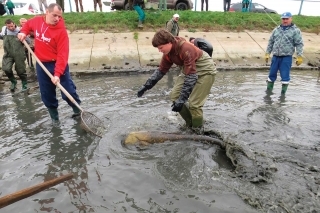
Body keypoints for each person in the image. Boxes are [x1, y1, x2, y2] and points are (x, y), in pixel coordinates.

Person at [137, 29, 217, 129]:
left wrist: (182, 99)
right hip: (188, 70)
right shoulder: (168, 54)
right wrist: (146, 86)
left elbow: (191, 77)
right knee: (174, 97)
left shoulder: (185, 48)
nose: (159, 50)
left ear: (169, 42)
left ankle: (198, 130)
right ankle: (190, 124)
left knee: (195, 105)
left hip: (206, 71)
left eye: (161, 47)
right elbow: (161, 71)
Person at [17, 3, 81, 124]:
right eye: (54, 15)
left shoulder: (61, 31)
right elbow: (28, 25)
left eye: (59, 16)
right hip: (42, 65)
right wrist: (23, 32)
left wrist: (57, 74)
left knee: (68, 92)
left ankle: (78, 112)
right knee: (47, 94)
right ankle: (55, 119)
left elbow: (63, 55)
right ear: (47, 12)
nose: (57, 19)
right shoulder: (37, 21)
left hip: (58, 64)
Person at [265, 12, 304, 95]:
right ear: (281, 19)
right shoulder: (276, 29)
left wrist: (299, 56)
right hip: (275, 57)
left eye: (287, 19)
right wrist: (267, 53)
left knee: (285, 77)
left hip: (286, 58)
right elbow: (271, 42)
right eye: (283, 19)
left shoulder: (295, 31)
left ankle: (282, 96)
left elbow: (299, 44)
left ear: (291, 19)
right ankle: (268, 94)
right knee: (271, 75)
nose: (285, 21)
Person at [0, 19, 29, 92]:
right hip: (8, 53)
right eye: (9, 26)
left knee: (20, 70)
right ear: (6, 25)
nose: (11, 28)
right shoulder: (4, 30)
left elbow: (28, 41)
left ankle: (24, 83)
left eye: (12, 26)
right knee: (6, 68)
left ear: (14, 24)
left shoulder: (20, 31)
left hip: (19, 54)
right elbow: (1, 37)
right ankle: (13, 81)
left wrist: (24, 38)